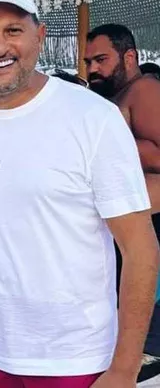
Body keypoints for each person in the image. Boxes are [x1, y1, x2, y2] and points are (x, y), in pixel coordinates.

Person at [0, 0, 159, 388]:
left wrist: (124, 369)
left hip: (75, 356)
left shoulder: (93, 117)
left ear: (40, 35)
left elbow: (139, 246)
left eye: (13, 30)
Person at [85, 23, 160, 382]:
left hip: (147, 220)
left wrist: (101, 141)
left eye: (101, 59)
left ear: (129, 57)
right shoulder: (114, 98)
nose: (92, 69)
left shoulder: (144, 89)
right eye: (88, 62)